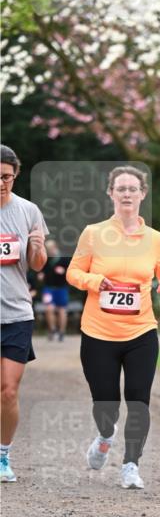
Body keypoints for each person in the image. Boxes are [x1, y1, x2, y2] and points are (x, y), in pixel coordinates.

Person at [66, 166, 160, 489]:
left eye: (133, 188)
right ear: (111, 194)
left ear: (143, 194)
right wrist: (95, 281)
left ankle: (131, 464)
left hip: (141, 331)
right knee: (106, 405)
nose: (127, 194)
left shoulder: (155, 239)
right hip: (98, 332)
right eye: (121, 189)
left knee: (138, 400)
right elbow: (74, 273)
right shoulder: (94, 233)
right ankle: (105, 435)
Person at [0, 144, 48, 482]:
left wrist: (38, 246)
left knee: (9, 390)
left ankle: (2, 456)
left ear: (16, 176)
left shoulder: (29, 211)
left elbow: (37, 265)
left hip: (16, 312)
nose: (1, 183)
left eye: (6, 177)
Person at [40, 238, 71, 340]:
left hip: (61, 288)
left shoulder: (64, 258)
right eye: (47, 248)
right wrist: (41, 275)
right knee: (48, 308)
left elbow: (72, 272)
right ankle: (52, 329)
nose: (48, 250)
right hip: (48, 288)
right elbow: (41, 269)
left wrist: (64, 271)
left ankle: (62, 332)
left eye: (50, 248)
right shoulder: (46, 258)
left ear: (55, 247)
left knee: (62, 310)